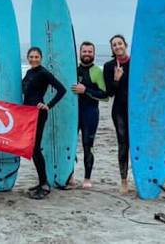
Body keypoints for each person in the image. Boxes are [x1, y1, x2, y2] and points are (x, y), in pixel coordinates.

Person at [22, 47, 67, 199]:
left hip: (38, 114)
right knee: (33, 149)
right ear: (28, 58)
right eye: (31, 56)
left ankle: (44, 184)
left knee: (35, 148)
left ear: (41, 58)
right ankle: (42, 181)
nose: (33, 59)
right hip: (28, 114)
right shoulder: (29, 73)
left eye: (36, 57)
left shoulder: (43, 72)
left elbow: (62, 89)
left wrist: (48, 105)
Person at [69, 41, 107, 189]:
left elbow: (104, 96)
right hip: (73, 113)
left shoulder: (97, 71)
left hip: (90, 113)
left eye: (89, 52)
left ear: (94, 54)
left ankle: (87, 178)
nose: (86, 54)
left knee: (87, 145)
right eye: (84, 51)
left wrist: (86, 90)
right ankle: (69, 174)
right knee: (70, 144)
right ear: (80, 53)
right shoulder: (73, 68)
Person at [103, 34, 131, 194]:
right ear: (112, 49)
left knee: (138, 143)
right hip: (119, 110)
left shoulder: (136, 62)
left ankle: (143, 177)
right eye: (114, 45)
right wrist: (116, 79)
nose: (118, 46)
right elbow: (110, 93)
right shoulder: (109, 66)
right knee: (123, 144)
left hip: (136, 111)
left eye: (120, 43)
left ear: (125, 44)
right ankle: (124, 180)